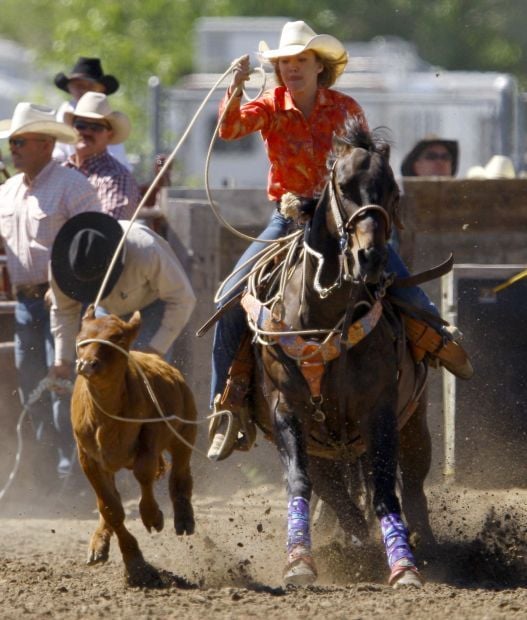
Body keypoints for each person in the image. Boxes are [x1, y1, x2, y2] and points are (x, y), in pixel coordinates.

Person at [207, 21, 472, 462]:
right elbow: (231, 129)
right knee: (229, 297)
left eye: (301, 61)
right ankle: (227, 406)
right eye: (285, 62)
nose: (292, 69)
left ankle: (438, 339)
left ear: (319, 66)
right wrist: (234, 87)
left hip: (342, 223)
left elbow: (362, 165)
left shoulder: (345, 110)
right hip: (289, 220)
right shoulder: (269, 105)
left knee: (398, 282)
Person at [0, 102, 102, 478]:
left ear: (45, 143)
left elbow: (93, 243)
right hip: (26, 303)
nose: (13, 148)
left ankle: (71, 472)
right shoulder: (8, 190)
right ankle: (45, 471)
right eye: (12, 141)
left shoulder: (72, 186)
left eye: (21, 141)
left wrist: (69, 286)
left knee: (64, 387)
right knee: (32, 390)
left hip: (66, 302)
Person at [49, 212, 196, 380]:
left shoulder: (146, 250)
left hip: (151, 307)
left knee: (144, 377)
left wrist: (155, 349)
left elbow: (182, 298)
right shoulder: (61, 266)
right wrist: (63, 359)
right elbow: (64, 311)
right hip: (105, 310)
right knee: (98, 370)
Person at [62, 91, 140, 220]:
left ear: (109, 134)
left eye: (96, 127)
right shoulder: (61, 170)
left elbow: (106, 230)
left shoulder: (117, 177)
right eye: (81, 125)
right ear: (73, 129)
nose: (86, 132)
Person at [53, 57, 131, 170]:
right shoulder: (65, 110)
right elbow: (59, 148)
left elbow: (116, 156)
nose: (82, 90)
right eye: (78, 86)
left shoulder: (105, 115)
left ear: (101, 89)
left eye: (89, 86)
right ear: (69, 88)